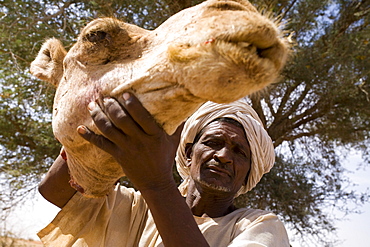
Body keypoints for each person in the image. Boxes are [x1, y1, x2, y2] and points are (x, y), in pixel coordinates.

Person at [38, 92, 290, 246]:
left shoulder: (260, 227)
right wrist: (98, 124)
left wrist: (156, 183)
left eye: (239, 152)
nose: (224, 156)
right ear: (190, 153)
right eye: (213, 143)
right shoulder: (139, 209)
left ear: (249, 172)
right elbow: (55, 190)